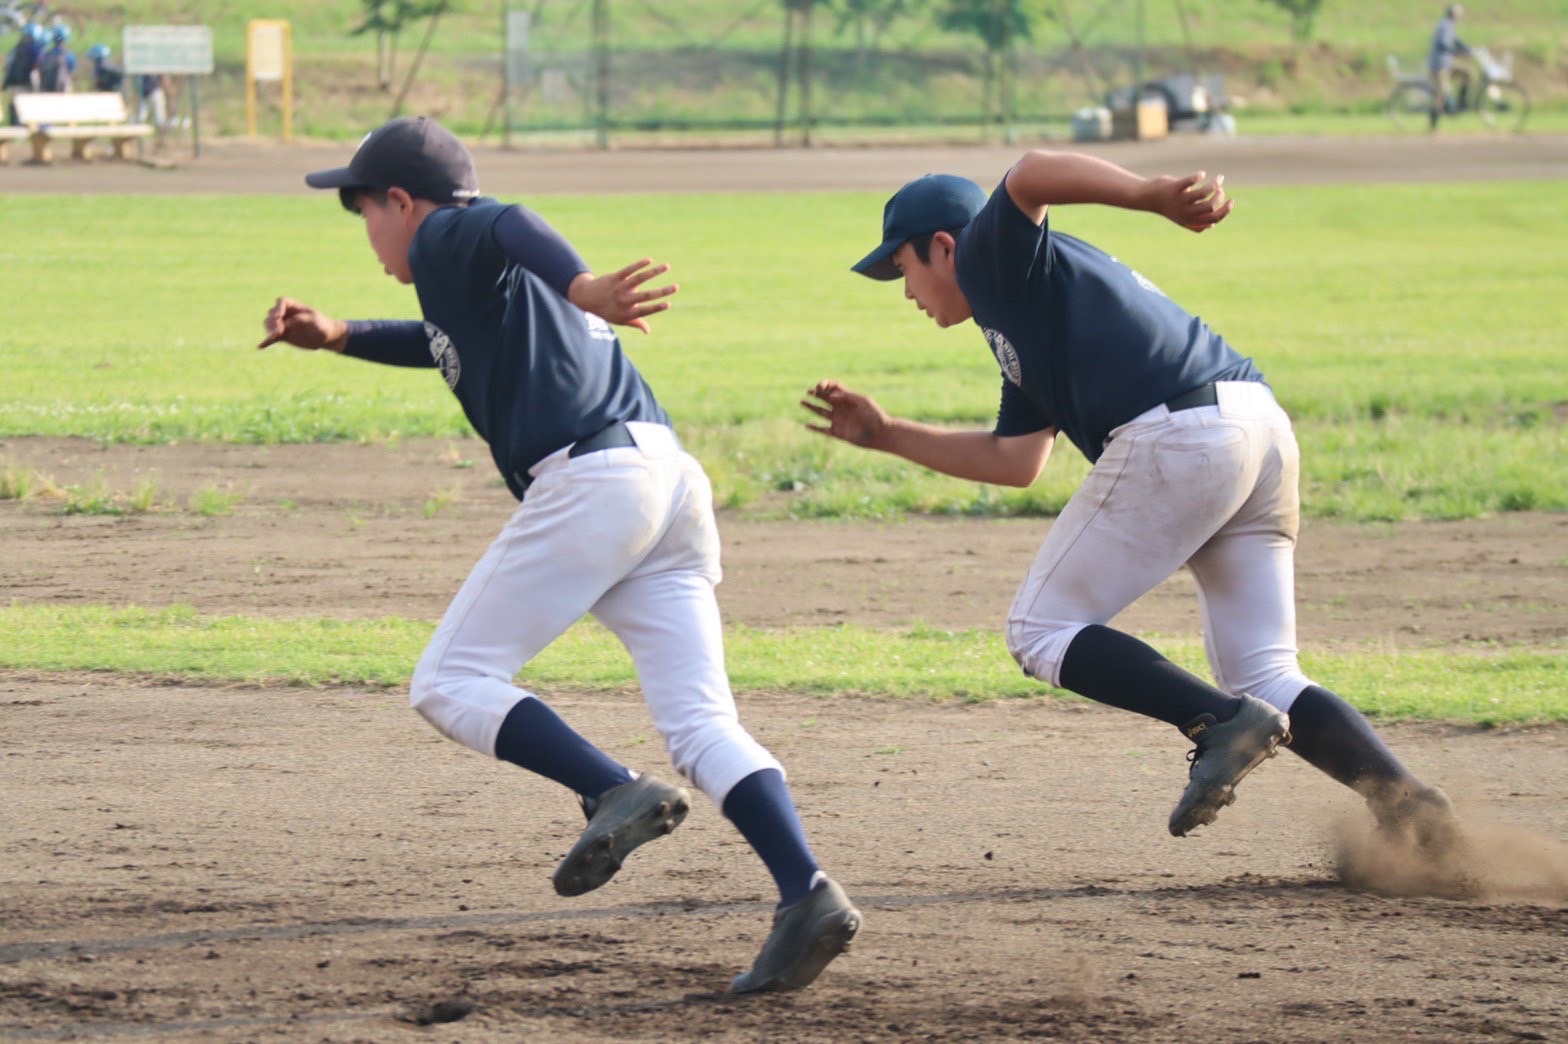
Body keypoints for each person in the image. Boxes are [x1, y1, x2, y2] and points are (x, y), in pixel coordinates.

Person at [257, 116, 861, 994]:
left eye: (363, 211)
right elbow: (441, 346)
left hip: (596, 485)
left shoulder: (448, 234)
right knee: (702, 726)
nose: (369, 232)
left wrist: (583, 283)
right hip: (668, 483)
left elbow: (506, 216)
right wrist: (341, 334)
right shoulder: (477, 290)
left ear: (400, 200)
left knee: (449, 681)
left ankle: (610, 786)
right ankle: (805, 891)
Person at [802, 151, 1457, 847]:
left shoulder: (993, 258)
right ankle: (1409, 806)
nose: (904, 289)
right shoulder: (1025, 312)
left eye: (901, 267)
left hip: (1184, 435)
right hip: (1256, 429)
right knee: (1262, 670)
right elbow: (1016, 460)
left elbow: (1029, 174)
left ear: (943, 246)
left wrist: (1149, 195)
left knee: (1039, 628)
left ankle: (1220, 722)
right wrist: (888, 435)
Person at [1428, 3, 1471, 130]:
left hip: (1448, 65)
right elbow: (1445, 44)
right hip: (1440, 65)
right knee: (1441, 95)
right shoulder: (1444, 25)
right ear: (1454, 14)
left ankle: (1462, 102)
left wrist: (1466, 48)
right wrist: (1456, 52)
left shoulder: (1450, 26)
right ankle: (1433, 123)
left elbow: (1456, 40)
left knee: (1467, 74)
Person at [32, 22, 72, 93]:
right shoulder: (69, 55)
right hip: (63, 89)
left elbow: (39, 68)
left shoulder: (47, 54)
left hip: (47, 89)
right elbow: (71, 69)